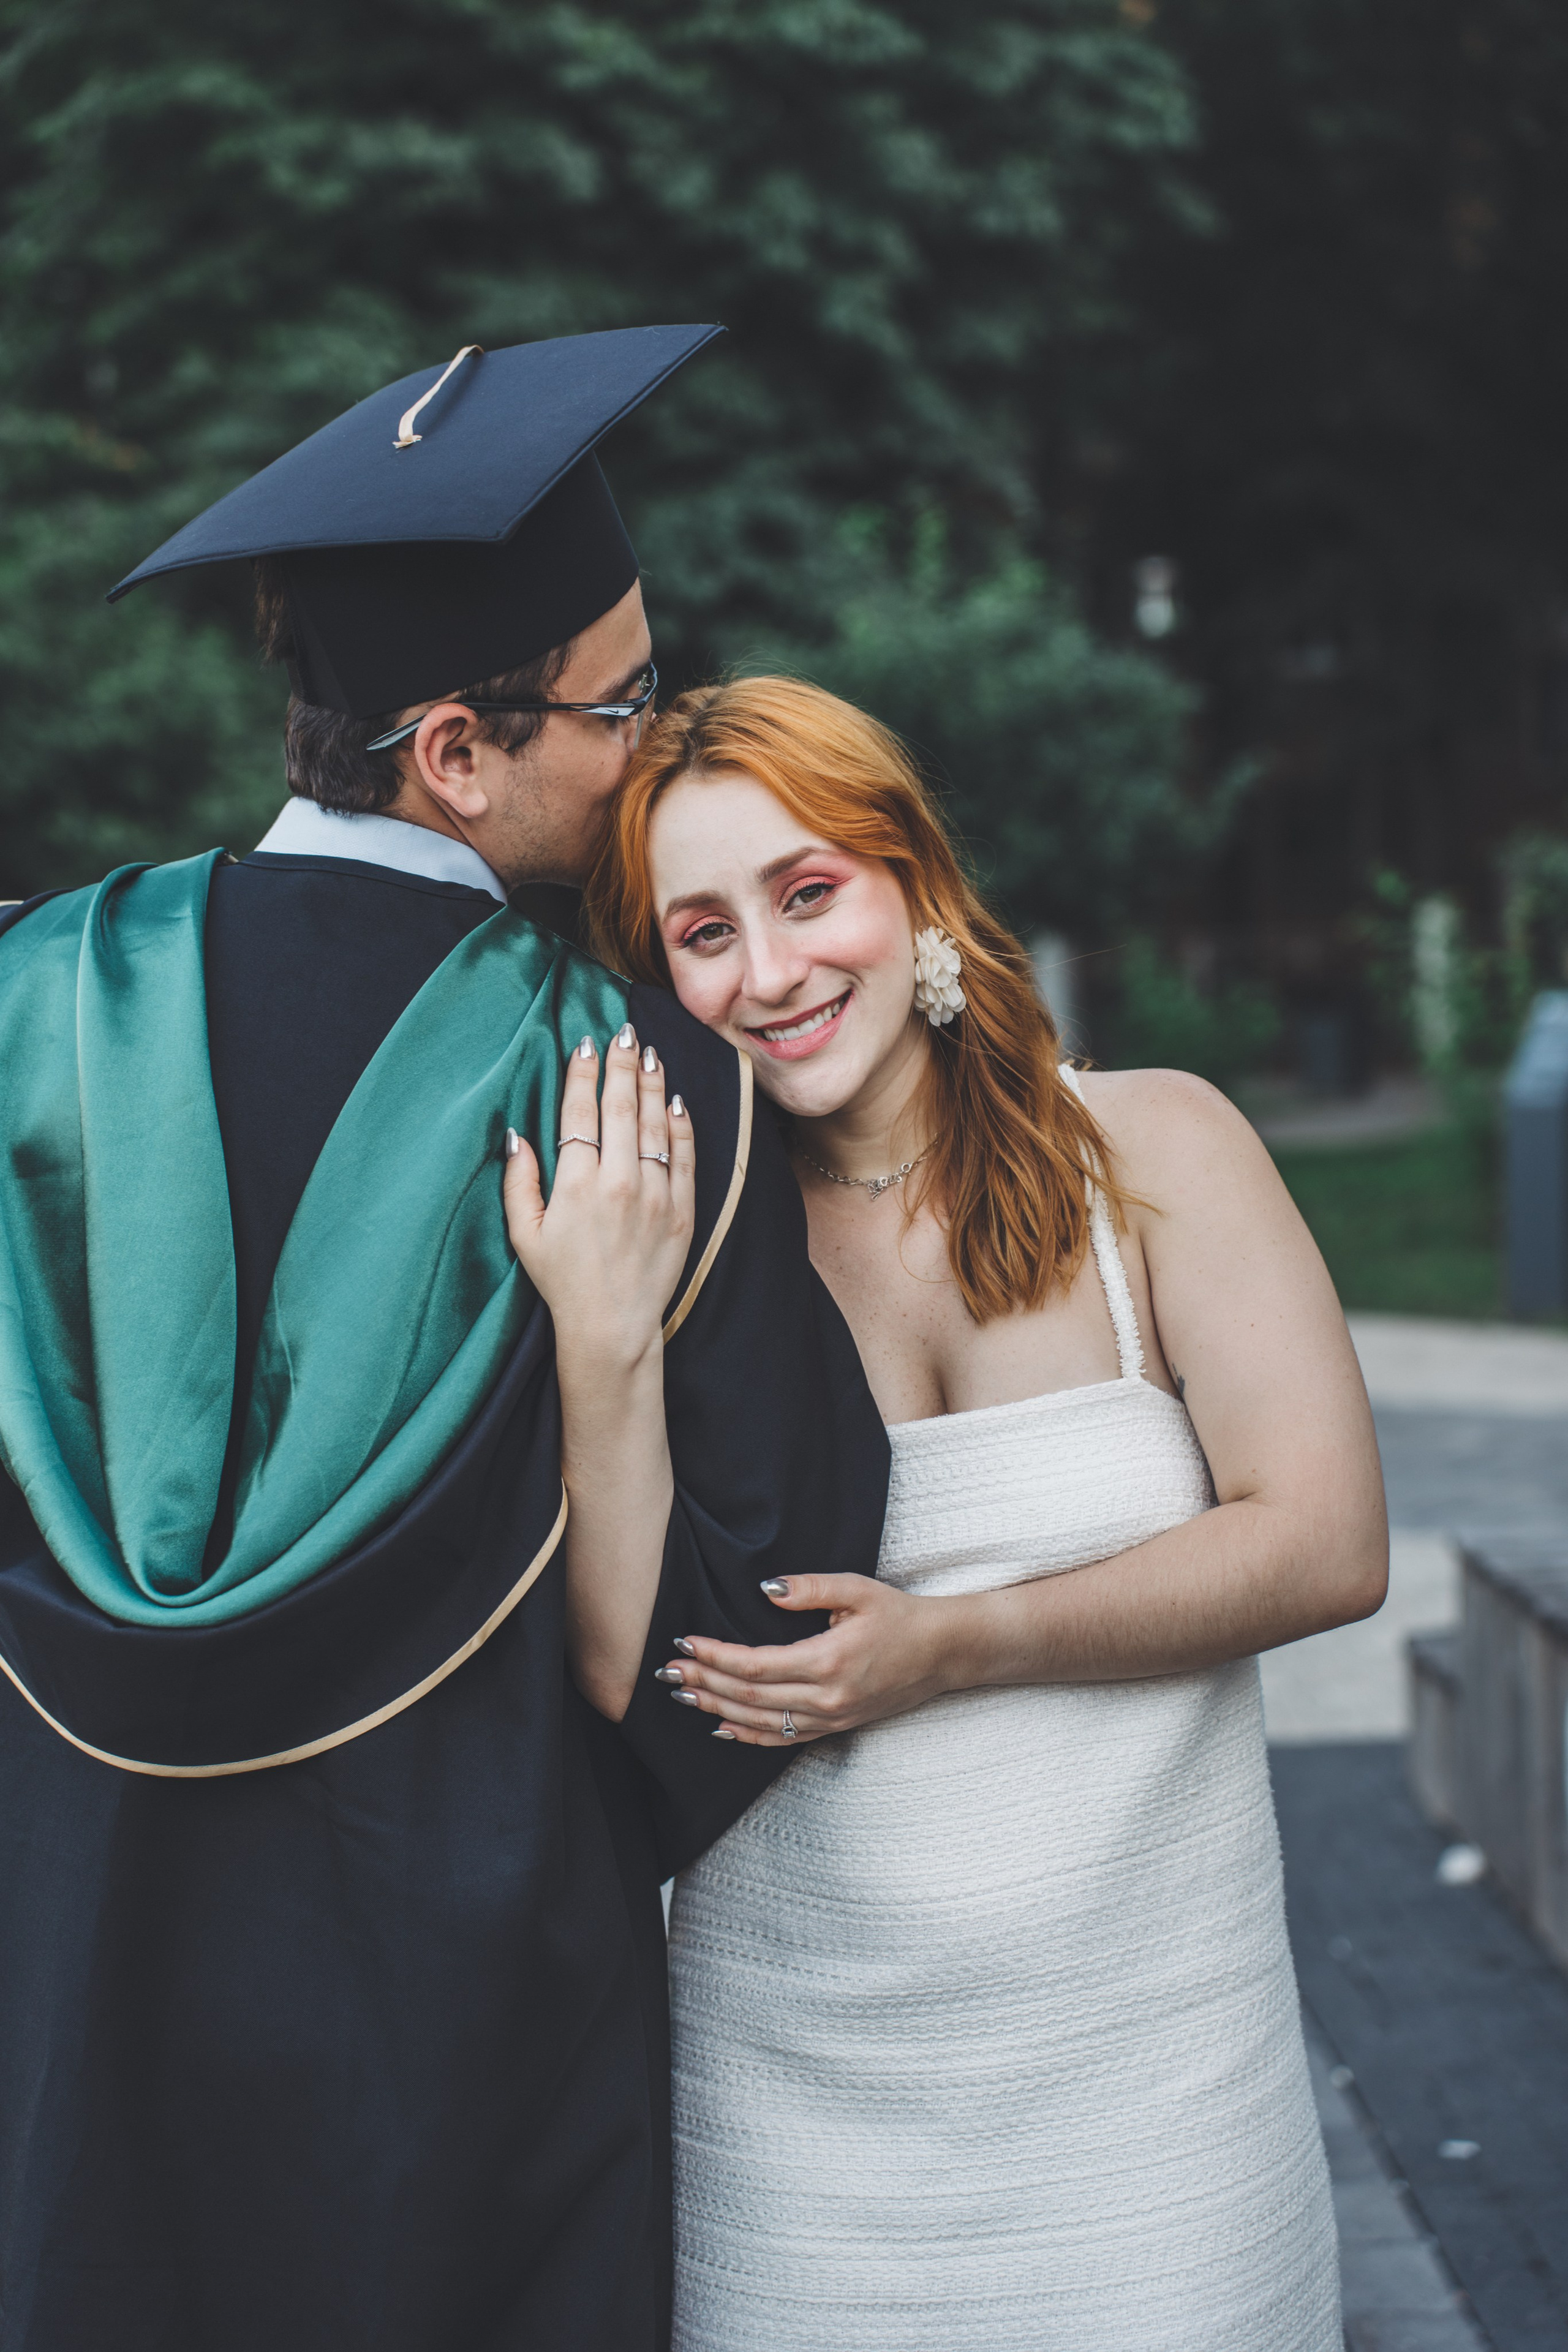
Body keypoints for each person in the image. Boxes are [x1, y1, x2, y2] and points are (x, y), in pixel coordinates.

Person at [0, 345, 888, 2352]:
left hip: (62, 1968)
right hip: (467, 2027)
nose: (649, 744)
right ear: (456, 756)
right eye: (619, 704)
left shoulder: (32, 1010)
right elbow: (738, 1668)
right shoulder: (650, 1093)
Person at [581, 674, 1389, 2351]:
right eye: (704, 932)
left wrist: (957, 1645)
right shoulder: (670, 1248)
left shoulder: (1155, 1149)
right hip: (792, 2114)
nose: (773, 972)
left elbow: (1325, 1539)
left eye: (811, 893)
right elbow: (608, 1669)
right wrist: (601, 1338)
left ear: (916, 882)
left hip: (1156, 2097)